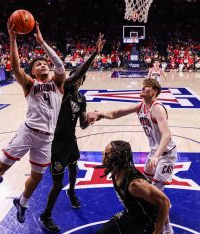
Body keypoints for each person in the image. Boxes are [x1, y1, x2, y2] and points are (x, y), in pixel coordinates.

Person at [0, 21, 66, 223]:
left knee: (36, 177)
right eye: (38, 64)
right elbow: (16, 67)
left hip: (47, 139)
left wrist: (42, 42)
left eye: (44, 63)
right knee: (2, 166)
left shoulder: (57, 83)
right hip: (28, 132)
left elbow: (60, 66)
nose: (43, 64)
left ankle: (23, 202)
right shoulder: (29, 84)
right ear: (33, 72)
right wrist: (12, 39)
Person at [88, 78, 176, 234]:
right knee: (148, 191)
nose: (142, 89)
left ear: (154, 91)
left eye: (146, 87)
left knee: (156, 196)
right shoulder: (141, 106)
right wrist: (99, 114)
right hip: (154, 152)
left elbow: (167, 134)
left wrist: (156, 156)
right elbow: (116, 113)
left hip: (165, 154)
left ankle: (166, 230)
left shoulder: (157, 108)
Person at [39, 33, 106, 233]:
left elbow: (83, 124)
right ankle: (46, 215)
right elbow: (76, 73)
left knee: (74, 169)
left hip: (71, 140)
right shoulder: (64, 89)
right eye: (76, 76)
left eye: (80, 79)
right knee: (58, 183)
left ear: (83, 82)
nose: (77, 80)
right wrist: (95, 53)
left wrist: (93, 118)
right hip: (56, 143)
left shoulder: (81, 98)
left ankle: (73, 193)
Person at [96, 140, 170, 234]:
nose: (103, 154)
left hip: (145, 226)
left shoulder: (135, 185)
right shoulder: (114, 171)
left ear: (116, 158)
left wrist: (157, 231)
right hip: (130, 217)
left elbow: (165, 202)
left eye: (106, 153)